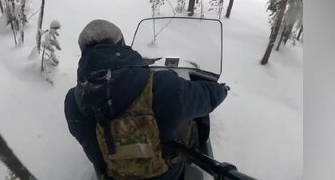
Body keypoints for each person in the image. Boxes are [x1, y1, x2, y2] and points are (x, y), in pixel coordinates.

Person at [64, 19, 229, 180]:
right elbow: (207, 97)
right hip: (167, 174)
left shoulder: (73, 101)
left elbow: (93, 151)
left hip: (113, 176)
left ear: (83, 52)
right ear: (122, 43)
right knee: (191, 123)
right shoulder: (163, 85)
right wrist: (221, 89)